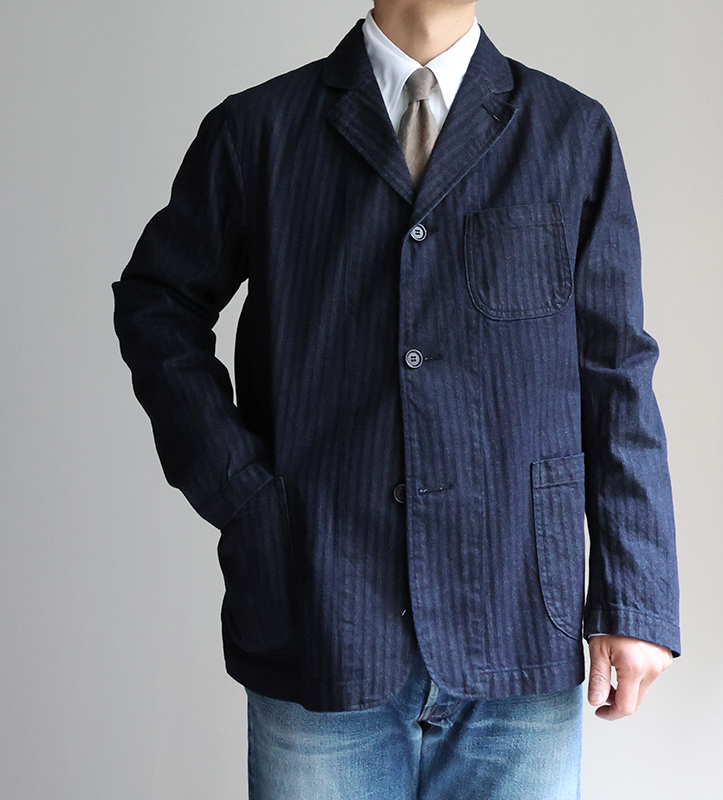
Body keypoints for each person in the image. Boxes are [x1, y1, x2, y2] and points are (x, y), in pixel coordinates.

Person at [112, 1, 680, 797]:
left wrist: (634, 596)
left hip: (519, 609)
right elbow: (158, 304)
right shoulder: (260, 129)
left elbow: (615, 366)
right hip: (321, 613)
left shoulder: (569, 133)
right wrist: (243, 494)